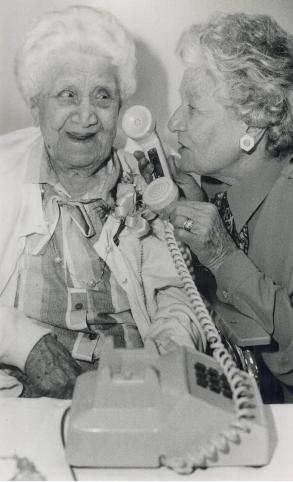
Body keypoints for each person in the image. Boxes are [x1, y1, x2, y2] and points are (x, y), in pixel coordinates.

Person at [0, 5, 205, 399]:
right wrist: (23, 344)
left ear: (122, 110)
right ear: (36, 106)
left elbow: (176, 297)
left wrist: (161, 369)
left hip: (131, 396)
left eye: (103, 97)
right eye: (67, 95)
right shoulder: (4, 170)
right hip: (19, 399)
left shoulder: (150, 179)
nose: (86, 116)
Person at [164, 12, 293, 404]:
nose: (173, 123)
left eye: (193, 108)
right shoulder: (221, 181)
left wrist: (223, 257)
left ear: (251, 127)